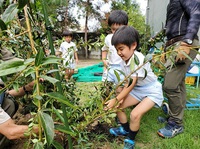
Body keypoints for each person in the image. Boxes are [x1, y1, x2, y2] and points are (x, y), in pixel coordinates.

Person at [105, 26, 164, 149]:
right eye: (117, 50)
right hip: (138, 89)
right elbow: (127, 82)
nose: (119, 53)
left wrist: (116, 98)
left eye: (121, 49)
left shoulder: (139, 59)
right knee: (118, 107)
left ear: (133, 45)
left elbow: (131, 83)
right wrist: (119, 98)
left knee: (135, 114)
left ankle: (130, 140)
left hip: (151, 91)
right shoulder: (123, 61)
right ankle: (125, 129)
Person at [157, 0, 200, 138]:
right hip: (173, 44)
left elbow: (196, 12)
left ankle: (176, 124)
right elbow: (170, 27)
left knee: (169, 84)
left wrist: (186, 42)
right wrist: (164, 49)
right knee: (178, 82)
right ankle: (174, 117)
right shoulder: (172, 2)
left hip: (183, 43)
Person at [0, 47, 38, 148]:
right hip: (8, 130)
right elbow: (11, 132)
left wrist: (27, 87)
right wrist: (48, 129)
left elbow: (5, 95)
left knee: (8, 102)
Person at [101, 10, 128, 98]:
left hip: (122, 69)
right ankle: (104, 106)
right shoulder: (108, 38)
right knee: (105, 88)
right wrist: (104, 60)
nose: (116, 32)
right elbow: (104, 50)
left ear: (126, 26)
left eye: (119, 30)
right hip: (110, 67)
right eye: (113, 29)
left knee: (119, 91)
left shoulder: (128, 39)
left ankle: (117, 106)